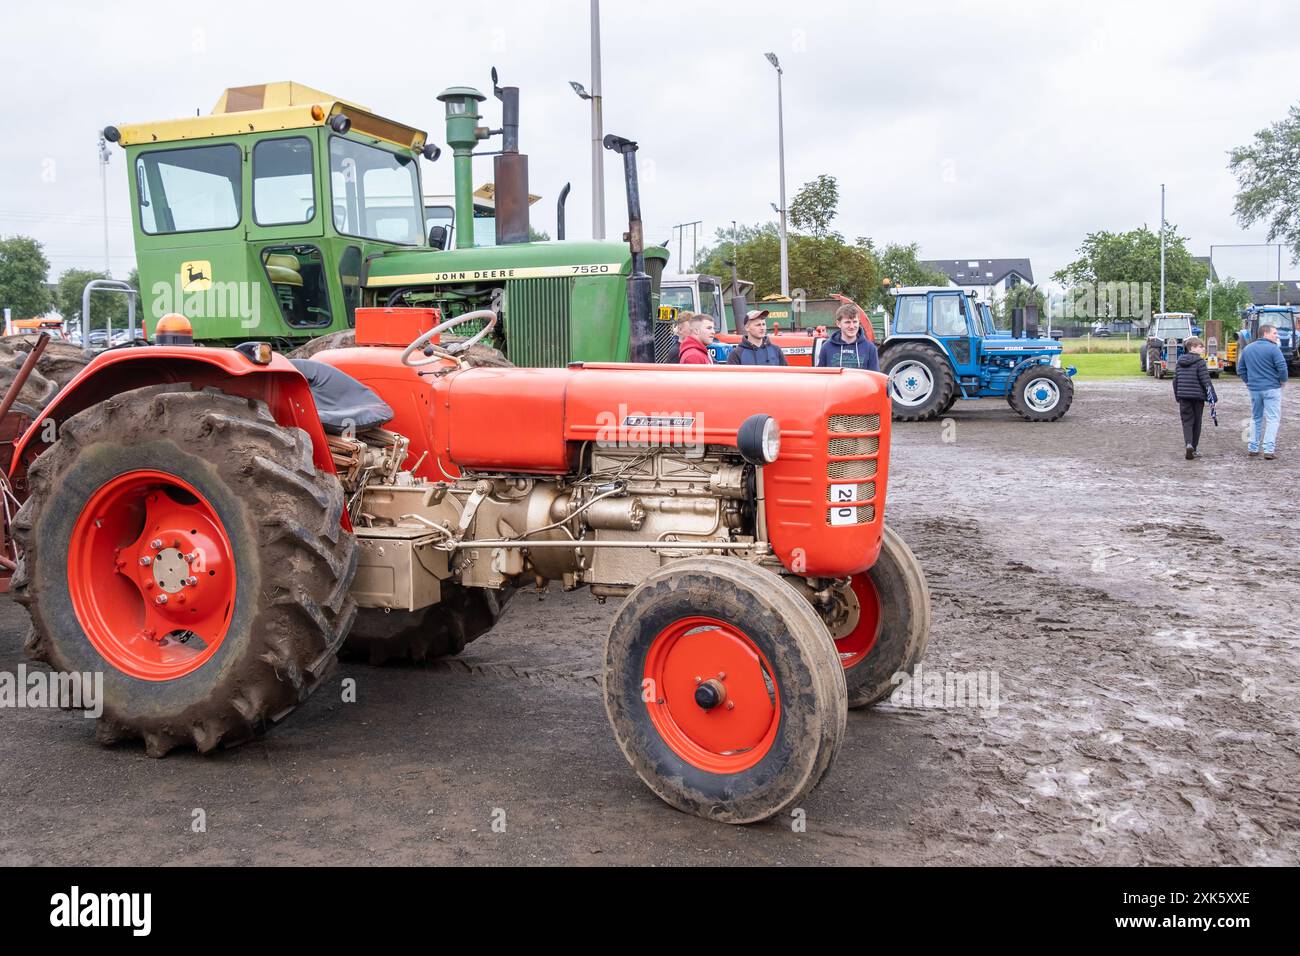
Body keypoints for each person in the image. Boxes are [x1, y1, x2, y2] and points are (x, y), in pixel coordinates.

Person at [1238, 323, 1288, 460]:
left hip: (1254, 390)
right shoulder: (1274, 349)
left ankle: (1253, 448)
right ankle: (1268, 450)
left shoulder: (1247, 349)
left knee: (1256, 418)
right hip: (1272, 388)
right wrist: (1283, 381)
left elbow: (1240, 369)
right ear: (1265, 333)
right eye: (1275, 333)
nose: (1277, 336)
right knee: (1273, 419)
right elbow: (1282, 367)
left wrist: (1248, 381)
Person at [1172, 336, 1216, 459]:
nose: (1203, 349)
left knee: (1186, 422)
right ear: (1192, 348)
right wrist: (1213, 398)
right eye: (1200, 347)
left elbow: (1175, 381)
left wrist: (1178, 396)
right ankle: (1194, 448)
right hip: (1197, 397)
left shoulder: (1179, 362)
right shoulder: (1200, 362)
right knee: (1197, 422)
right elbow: (1206, 381)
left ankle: (1188, 444)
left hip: (1183, 397)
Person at [815, 304, 880, 370]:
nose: (852, 326)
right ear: (838, 324)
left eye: (855, 322)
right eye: (847, 322)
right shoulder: (826, 347)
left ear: (859, 322)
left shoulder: (870, 348)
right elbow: (821, 376)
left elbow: (874, 377)